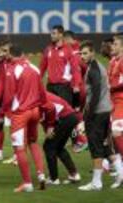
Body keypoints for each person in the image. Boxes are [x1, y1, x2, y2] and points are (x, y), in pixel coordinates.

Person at [0, 45, 46, 192]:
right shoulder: (34, 68)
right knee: (33, 142)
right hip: (35, 111)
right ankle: (41, 175)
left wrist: (1, 113)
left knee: (19, 147)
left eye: (7, 54)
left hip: (20, 114)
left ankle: (27, 183)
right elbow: (42, 93)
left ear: (11, 55)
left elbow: (9, 95)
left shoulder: (13, 70)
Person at [78, 40, 123, 191]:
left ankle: (96, 183)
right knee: (106, 146)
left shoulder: (93, 70)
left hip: (97, 113)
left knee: (95, 147)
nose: (82, 56)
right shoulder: (97, 66)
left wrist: (87, 117)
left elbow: (95, 94)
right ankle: (121, 174)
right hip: (105, 110)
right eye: (81, 54)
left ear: (92, 52)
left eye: (85, 53)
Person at [41, 91, 81, 185]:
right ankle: (74, 174)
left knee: (49, 146)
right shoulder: (40, 93)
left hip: (65, 118)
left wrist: (49, 127)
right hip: (70, 117)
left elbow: (50, 109)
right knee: (58, 148)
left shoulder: (38, 95)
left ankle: (53, 178)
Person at [40, 25, 81, 107]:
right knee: (52, 111)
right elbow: (42, 67)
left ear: (61, 35)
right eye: (51, 33)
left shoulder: (68, 50)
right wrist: (37, 80)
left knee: (66, 111)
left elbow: (75, 69)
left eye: (54, 33)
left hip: (64, 87)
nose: (51, 35)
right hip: (50, 86)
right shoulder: (48, 49)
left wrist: (76, 84)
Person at [106, 34, 123, 189]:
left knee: (116, 133)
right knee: (112, 136)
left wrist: (111, 87)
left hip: (121, 102)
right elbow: (108, 79)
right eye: (113, 44)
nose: (113, 46)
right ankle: (118, 170)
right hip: (113, 102)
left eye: (116, 44)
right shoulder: (112, 61)